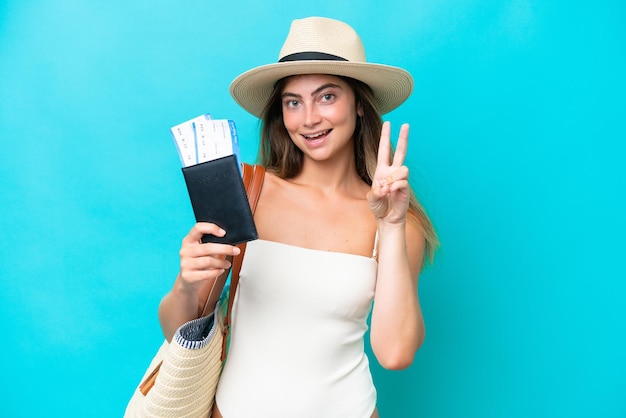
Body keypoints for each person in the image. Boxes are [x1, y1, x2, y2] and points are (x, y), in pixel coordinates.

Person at [158, 16, 438, 418]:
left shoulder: (397, 221)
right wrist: (187, 284)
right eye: (294, 101)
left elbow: (395, 354)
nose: (308, 118)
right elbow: (178, 333)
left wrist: (391, 226)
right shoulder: (247, 191)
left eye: (327, 97)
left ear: (359, 104)